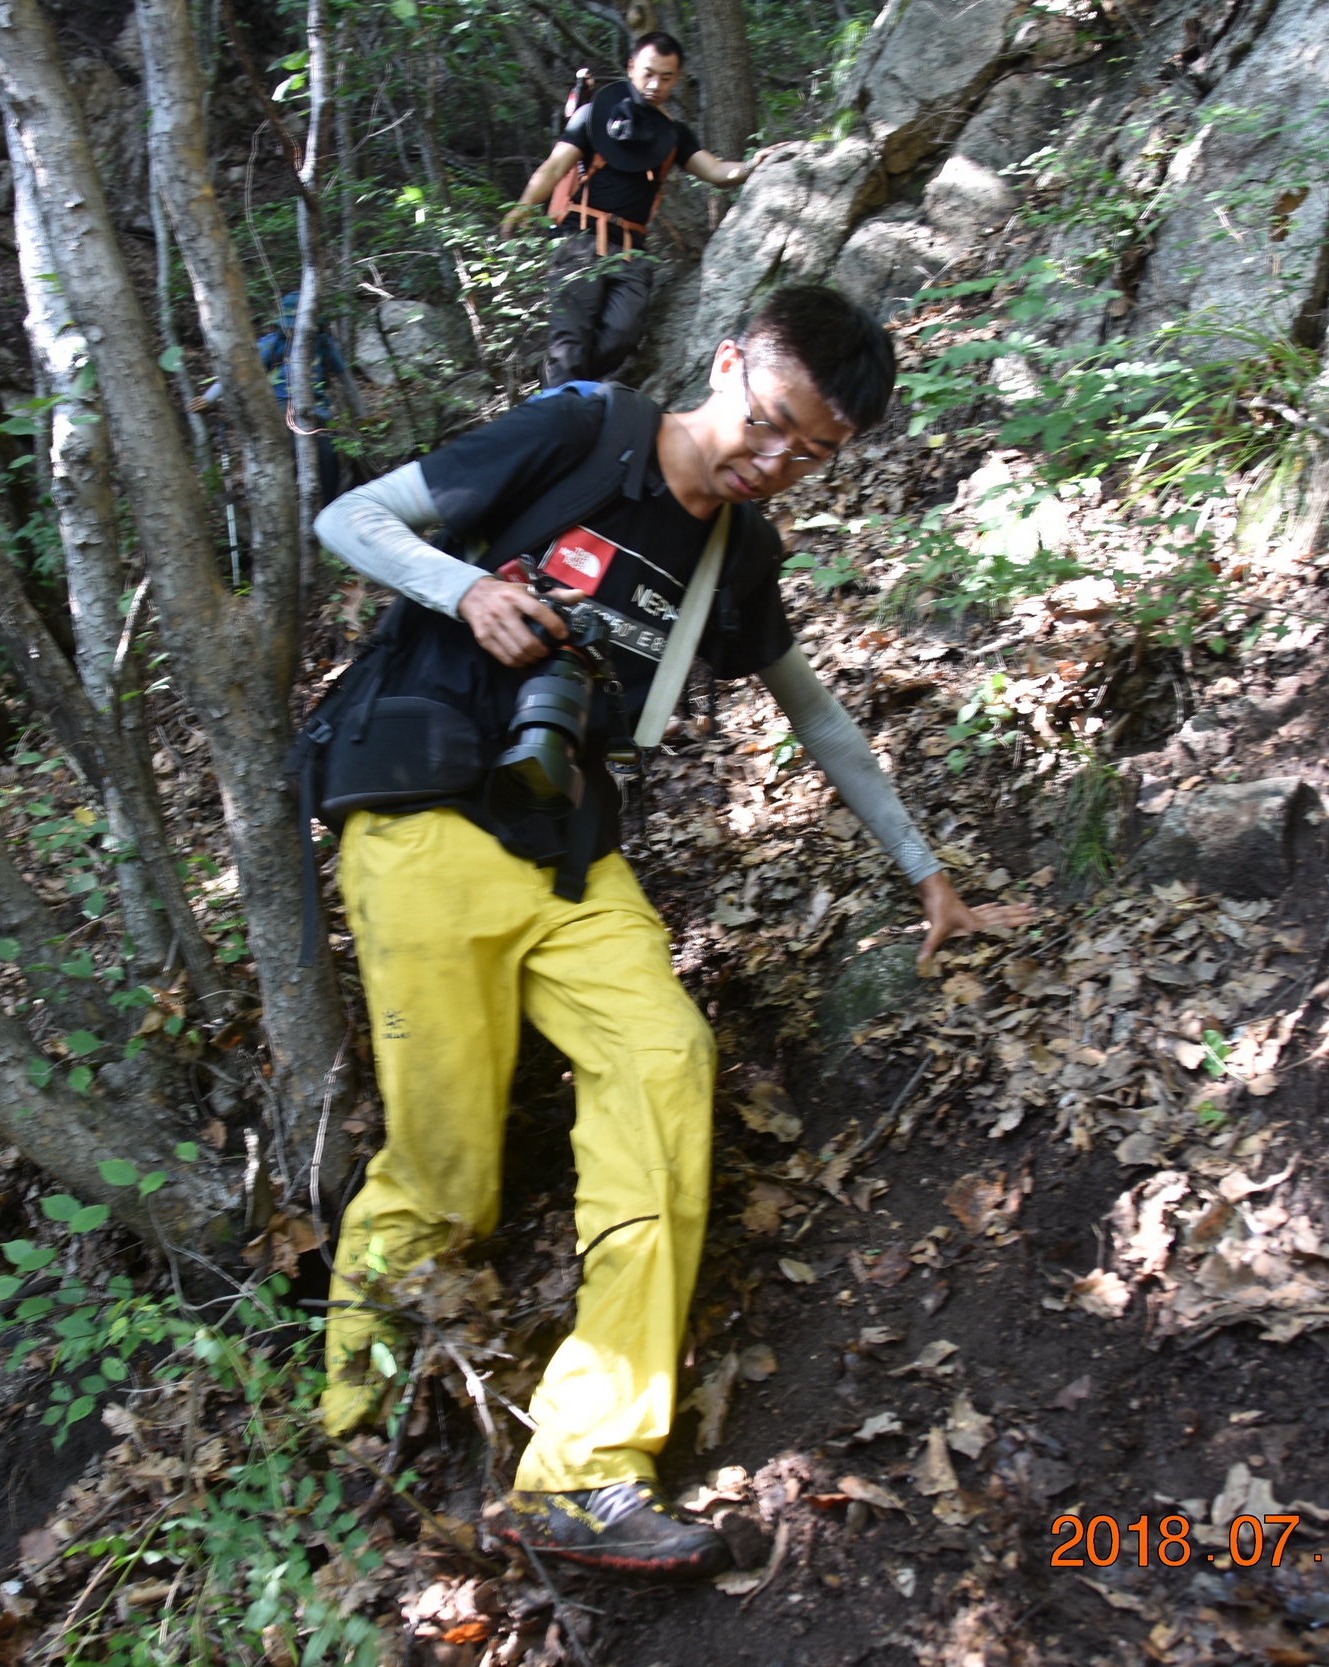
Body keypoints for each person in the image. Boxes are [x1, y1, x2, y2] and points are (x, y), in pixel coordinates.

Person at [309, 285, 1032, 1578]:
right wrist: (467, 588)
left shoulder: (737, 559)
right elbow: (349, 517)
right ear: (729, 360)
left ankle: (583, 1467)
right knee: (445, 1173)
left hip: (571, 844)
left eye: (808, 454)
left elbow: (816, 717)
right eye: (768, 423)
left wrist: (927, 869)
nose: (772, 461)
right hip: (420, 806)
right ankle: (350, 1436)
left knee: (664, 1062)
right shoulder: (583, 429)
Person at [501, 32, 781, 390]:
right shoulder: (591, 117)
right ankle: (558, 414)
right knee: (570, 342)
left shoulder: (673, 134)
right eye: (648, 73)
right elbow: (554, 168)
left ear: (677, 78)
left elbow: (712, 170)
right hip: (579, 238)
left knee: (622, 337)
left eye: (666, 77)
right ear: (632, 67)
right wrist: (521, 209)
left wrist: (750, 166)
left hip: (632, 249)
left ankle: (560, 388)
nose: (655, 85)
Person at [189, 290, 361, 504]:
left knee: (327, 458)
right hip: (282, 407)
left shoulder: (323, 344)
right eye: (288, 323)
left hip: (316, 411)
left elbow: (345, 378)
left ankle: (329, 508)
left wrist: (365, 416)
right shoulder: (273, 343)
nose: (290, 328)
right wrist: (209, 398)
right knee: (288, 457)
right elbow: (238, 370)